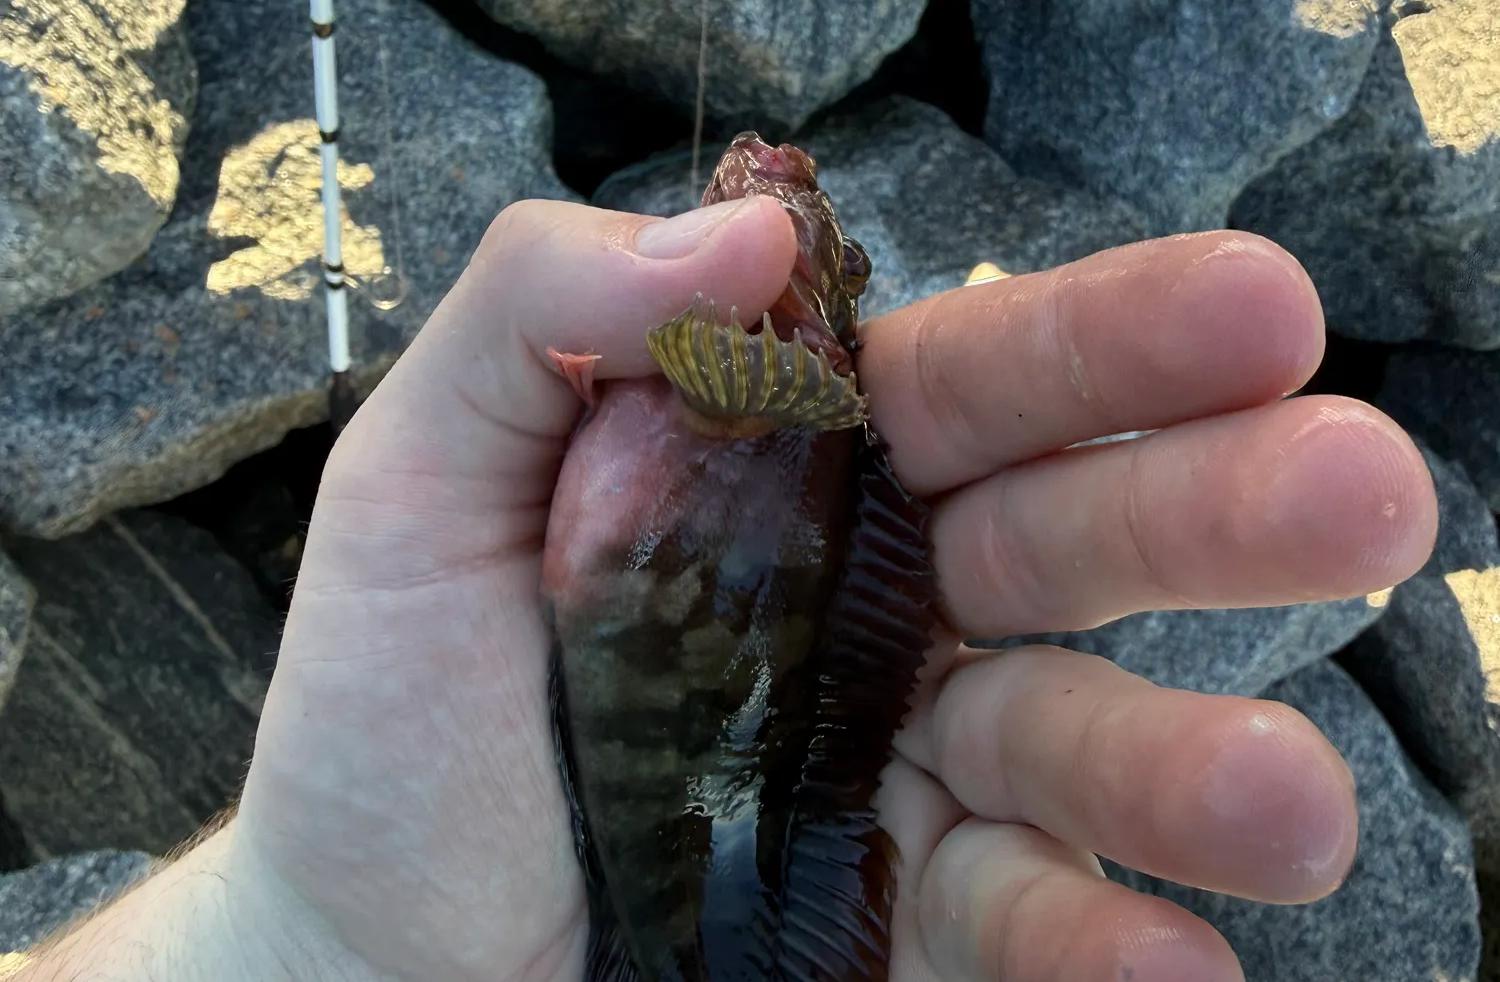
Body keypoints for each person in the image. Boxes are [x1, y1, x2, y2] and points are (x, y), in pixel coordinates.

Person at [20, 197, 1437, 982]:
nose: (789, 224)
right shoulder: (761, 393)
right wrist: (288, 933)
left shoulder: (740, 384)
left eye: (821, 252)